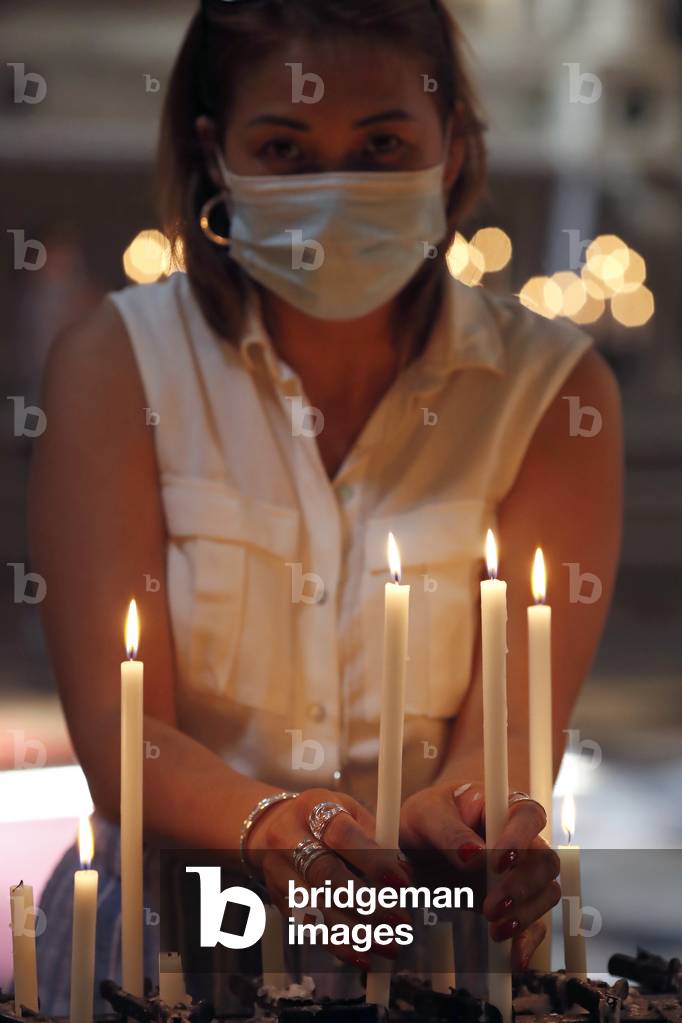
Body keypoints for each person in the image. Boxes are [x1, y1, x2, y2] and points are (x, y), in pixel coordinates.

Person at [29, 0, 623, 1012]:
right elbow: (121, 729)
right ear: (217, 156)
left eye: (382, 144)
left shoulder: (549, 393)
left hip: (426, 946)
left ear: (452, 151)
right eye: (285, 147)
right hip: (169, 944)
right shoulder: (118, 367)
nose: (332, 187)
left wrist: (477, 815)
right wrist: (268, 824)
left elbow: (512, 728)